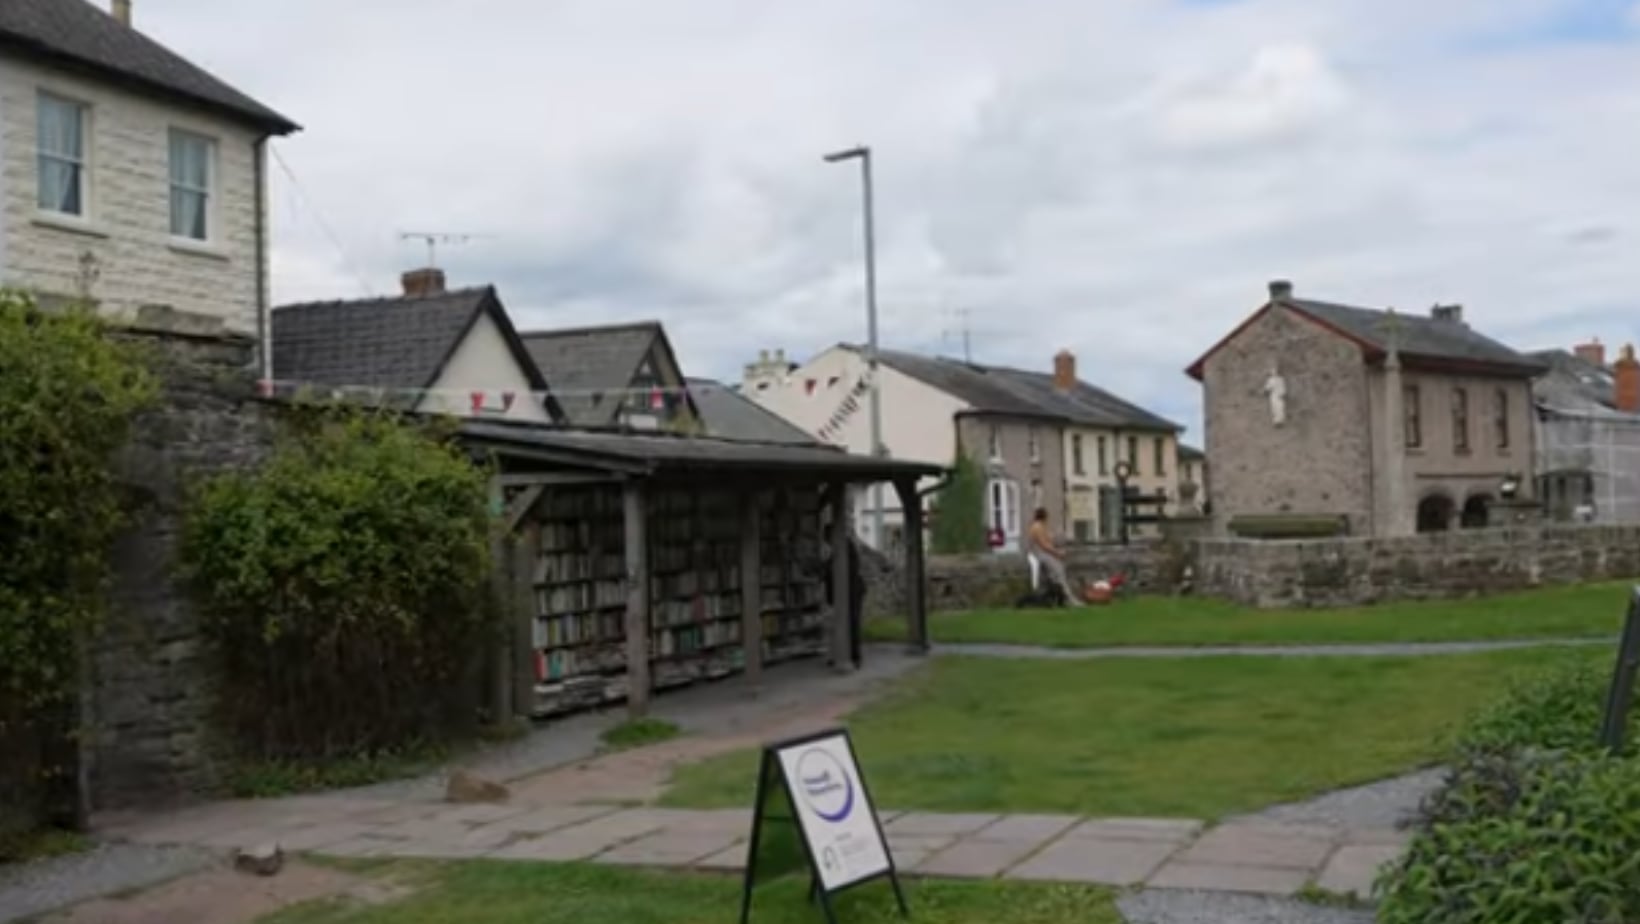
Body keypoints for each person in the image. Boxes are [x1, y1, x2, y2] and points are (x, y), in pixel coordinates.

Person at [1027, 507, 1081, 605]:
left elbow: (1049, 541)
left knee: (1049, 578)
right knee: (1059, 573)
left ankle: (1051, 599)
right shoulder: (1037, 527)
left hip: (1042, 554)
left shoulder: (1040, 526)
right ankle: (1069, 599)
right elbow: (1044, 545)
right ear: (1044, 516)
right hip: (1042, 555)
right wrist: (1057, 553)